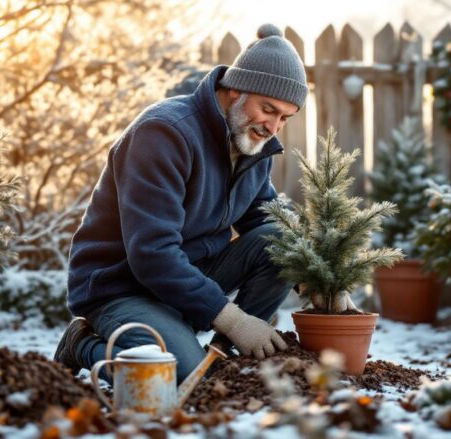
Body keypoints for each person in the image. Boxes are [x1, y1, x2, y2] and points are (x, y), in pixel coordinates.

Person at [53, 23, 308, 384]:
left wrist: (315, 274)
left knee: (279, 241)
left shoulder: (252, 141)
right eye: (268, 109)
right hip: (122, 287)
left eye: (285, 117)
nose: (273, 126)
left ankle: (225, 359)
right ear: (236, 88)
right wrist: (235, 320)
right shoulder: (164, 134)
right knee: (177, 377)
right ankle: (81, 345)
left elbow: (267, 217)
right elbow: (152, 253)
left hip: (190, 279)